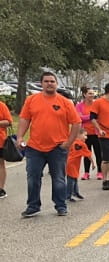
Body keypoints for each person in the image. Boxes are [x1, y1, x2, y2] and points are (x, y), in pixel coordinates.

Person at [16, 71, 81, 217]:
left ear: (56, 84)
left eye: (52, 81)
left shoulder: (64, 102)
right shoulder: (31, 100)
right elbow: (24, 119)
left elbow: (76, 123)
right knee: (33, 177)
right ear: (41, 84)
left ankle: (60, 205)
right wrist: (20, 137)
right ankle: (33, 206)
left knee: (58, 178)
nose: (49, 84)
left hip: (57, 148)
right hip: (34, 147)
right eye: (46, 81)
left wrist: (69, 142)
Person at [75, 87, 103, 180]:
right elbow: (79, 118)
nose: (92, 95)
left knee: (98, 153)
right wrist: (91, 117)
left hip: (96, 133)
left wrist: (87, 117)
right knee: (86, 153)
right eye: (89, 93)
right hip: (85, 134)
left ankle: (100, 171)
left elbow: (100, 116)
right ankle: (86, 173)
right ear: (84, 95)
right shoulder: (79, 106)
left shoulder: (96, 104)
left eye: (92, 93)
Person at [66, 128, 90, 201]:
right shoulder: (81, 144)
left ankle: (75, 192)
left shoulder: (72, 142)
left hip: (71, 163)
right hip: (72, 164)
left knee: (74, 178)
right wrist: (92, 163)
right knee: (71, 179)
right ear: (78, 135)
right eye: (85, 135)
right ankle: (68, 195)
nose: (86, 137)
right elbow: (88, 154)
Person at [0, 99, 12, 199]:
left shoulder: (1, 106)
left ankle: (1, 189)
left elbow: (8, 121)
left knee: (0, 164)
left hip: (0, 141)